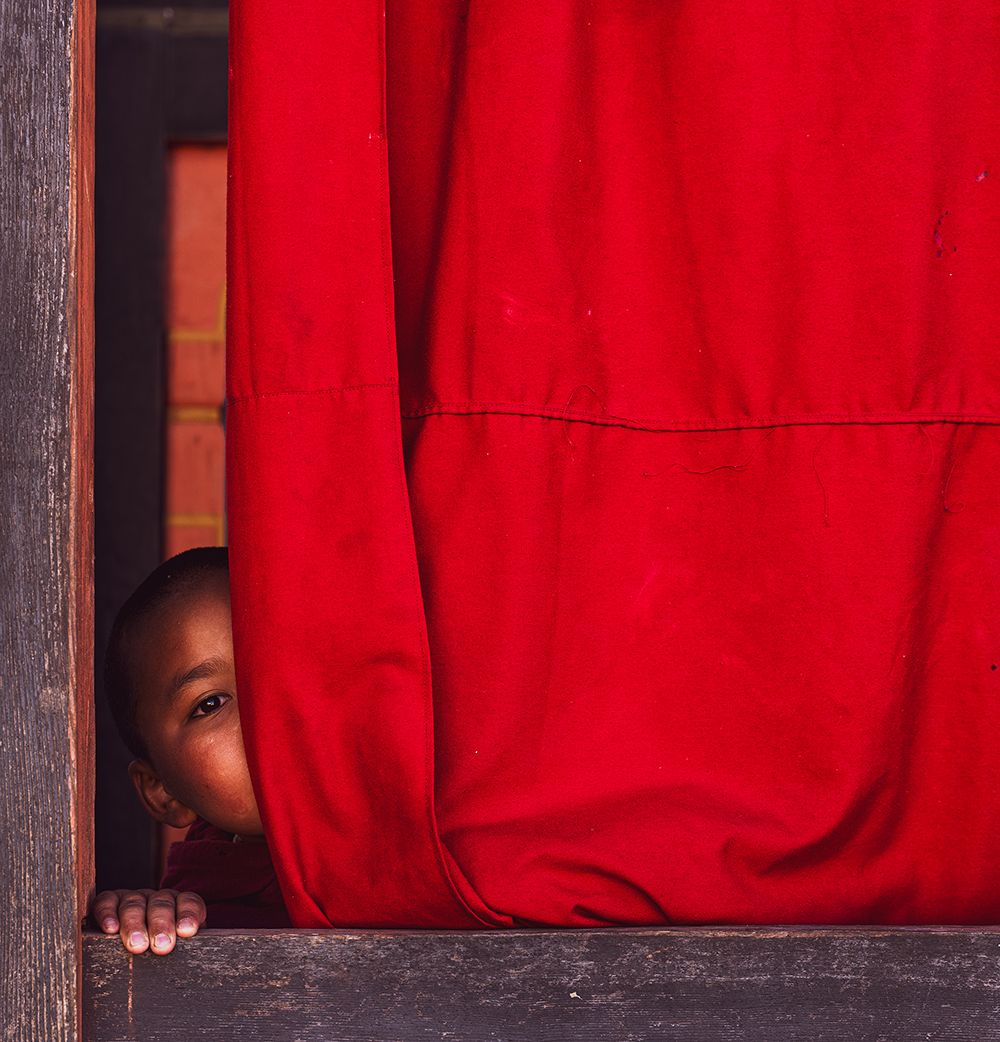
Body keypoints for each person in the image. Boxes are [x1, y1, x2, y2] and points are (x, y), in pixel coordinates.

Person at [90, 547, 289, 955]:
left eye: (279, 667)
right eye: (210, 704)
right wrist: (144, 919)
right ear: (162, 790)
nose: (263, 709)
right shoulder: (197, 911)